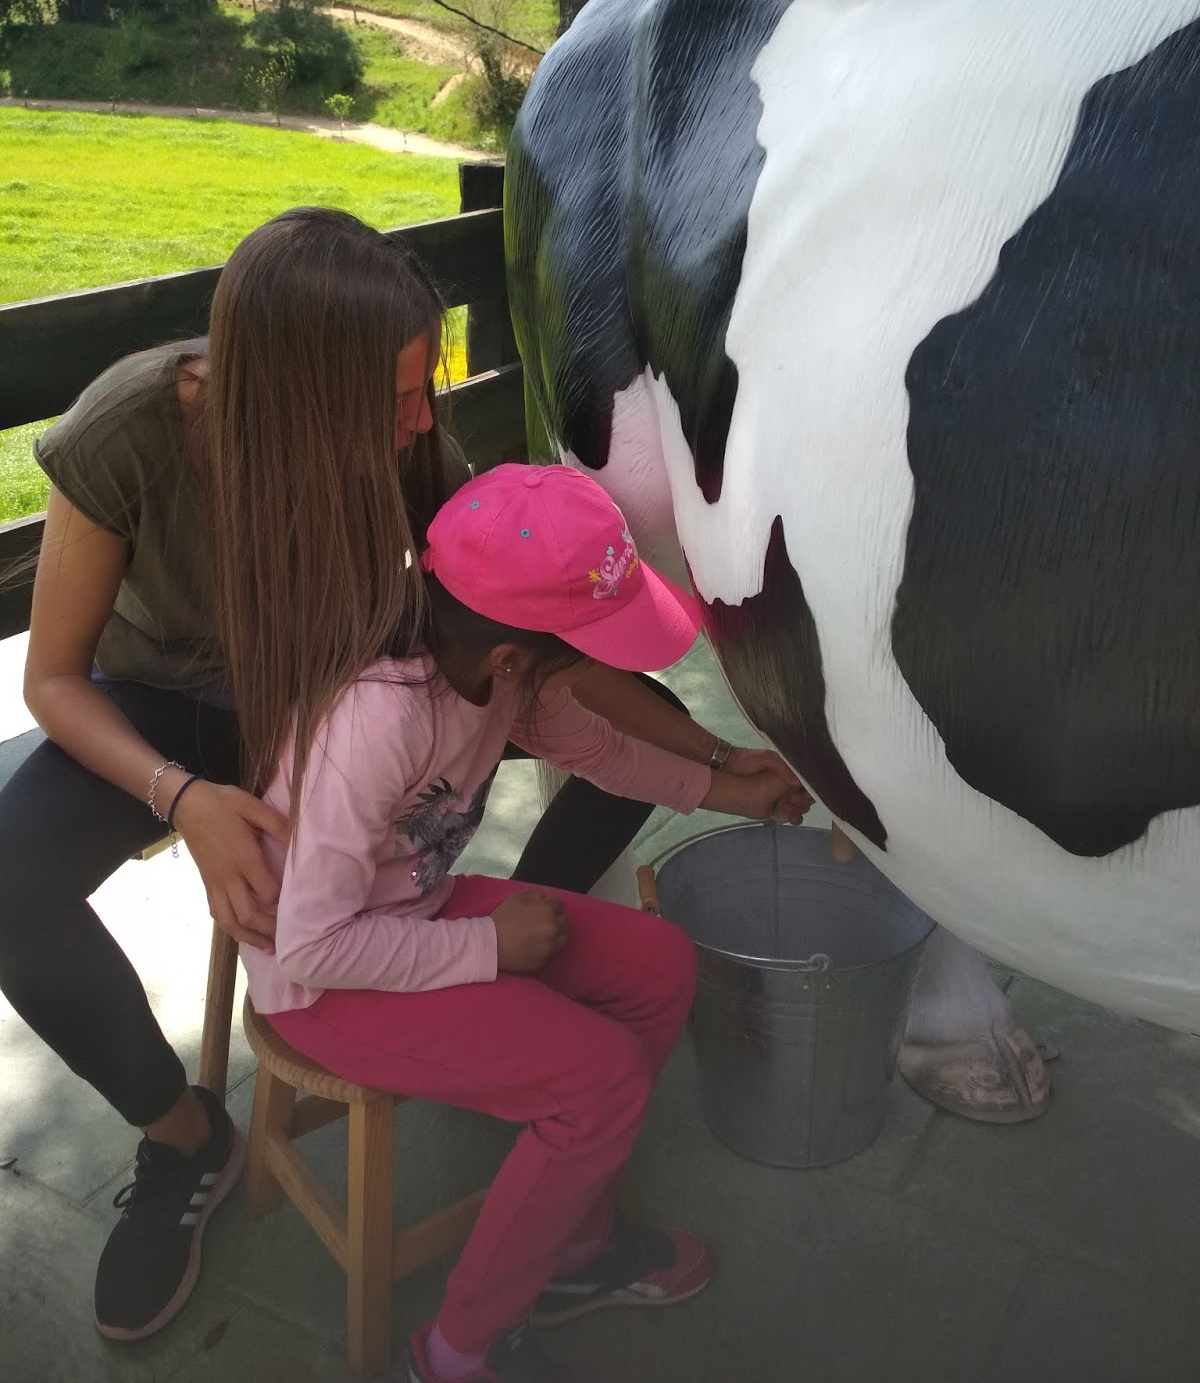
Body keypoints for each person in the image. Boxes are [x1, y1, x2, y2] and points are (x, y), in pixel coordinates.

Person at [0, 207, 795, 1343]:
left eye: (428, 387)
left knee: (645, 731)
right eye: (395, 400)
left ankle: (498, 982)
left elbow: (523, 638)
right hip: (170, 709)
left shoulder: (412, 445)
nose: (422, 421)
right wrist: (183, 797)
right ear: (292, 397)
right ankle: (183, 1139)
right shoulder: (130, 430)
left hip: (337, 696)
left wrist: (714, 759)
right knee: (9, 881)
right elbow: (52, 680)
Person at [240, 462, 810, 1383]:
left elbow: (605, 753)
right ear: (514, 655)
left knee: (661, 965)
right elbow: (313, 944)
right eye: (589, 647)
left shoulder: (492, 672)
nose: (603, 667)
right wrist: (487, 946)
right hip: (326, 985)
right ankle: (457, 1350)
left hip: (409, 911)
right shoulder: (374, 725)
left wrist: (731, 786)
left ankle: (574, 1245)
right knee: (600, 1081)